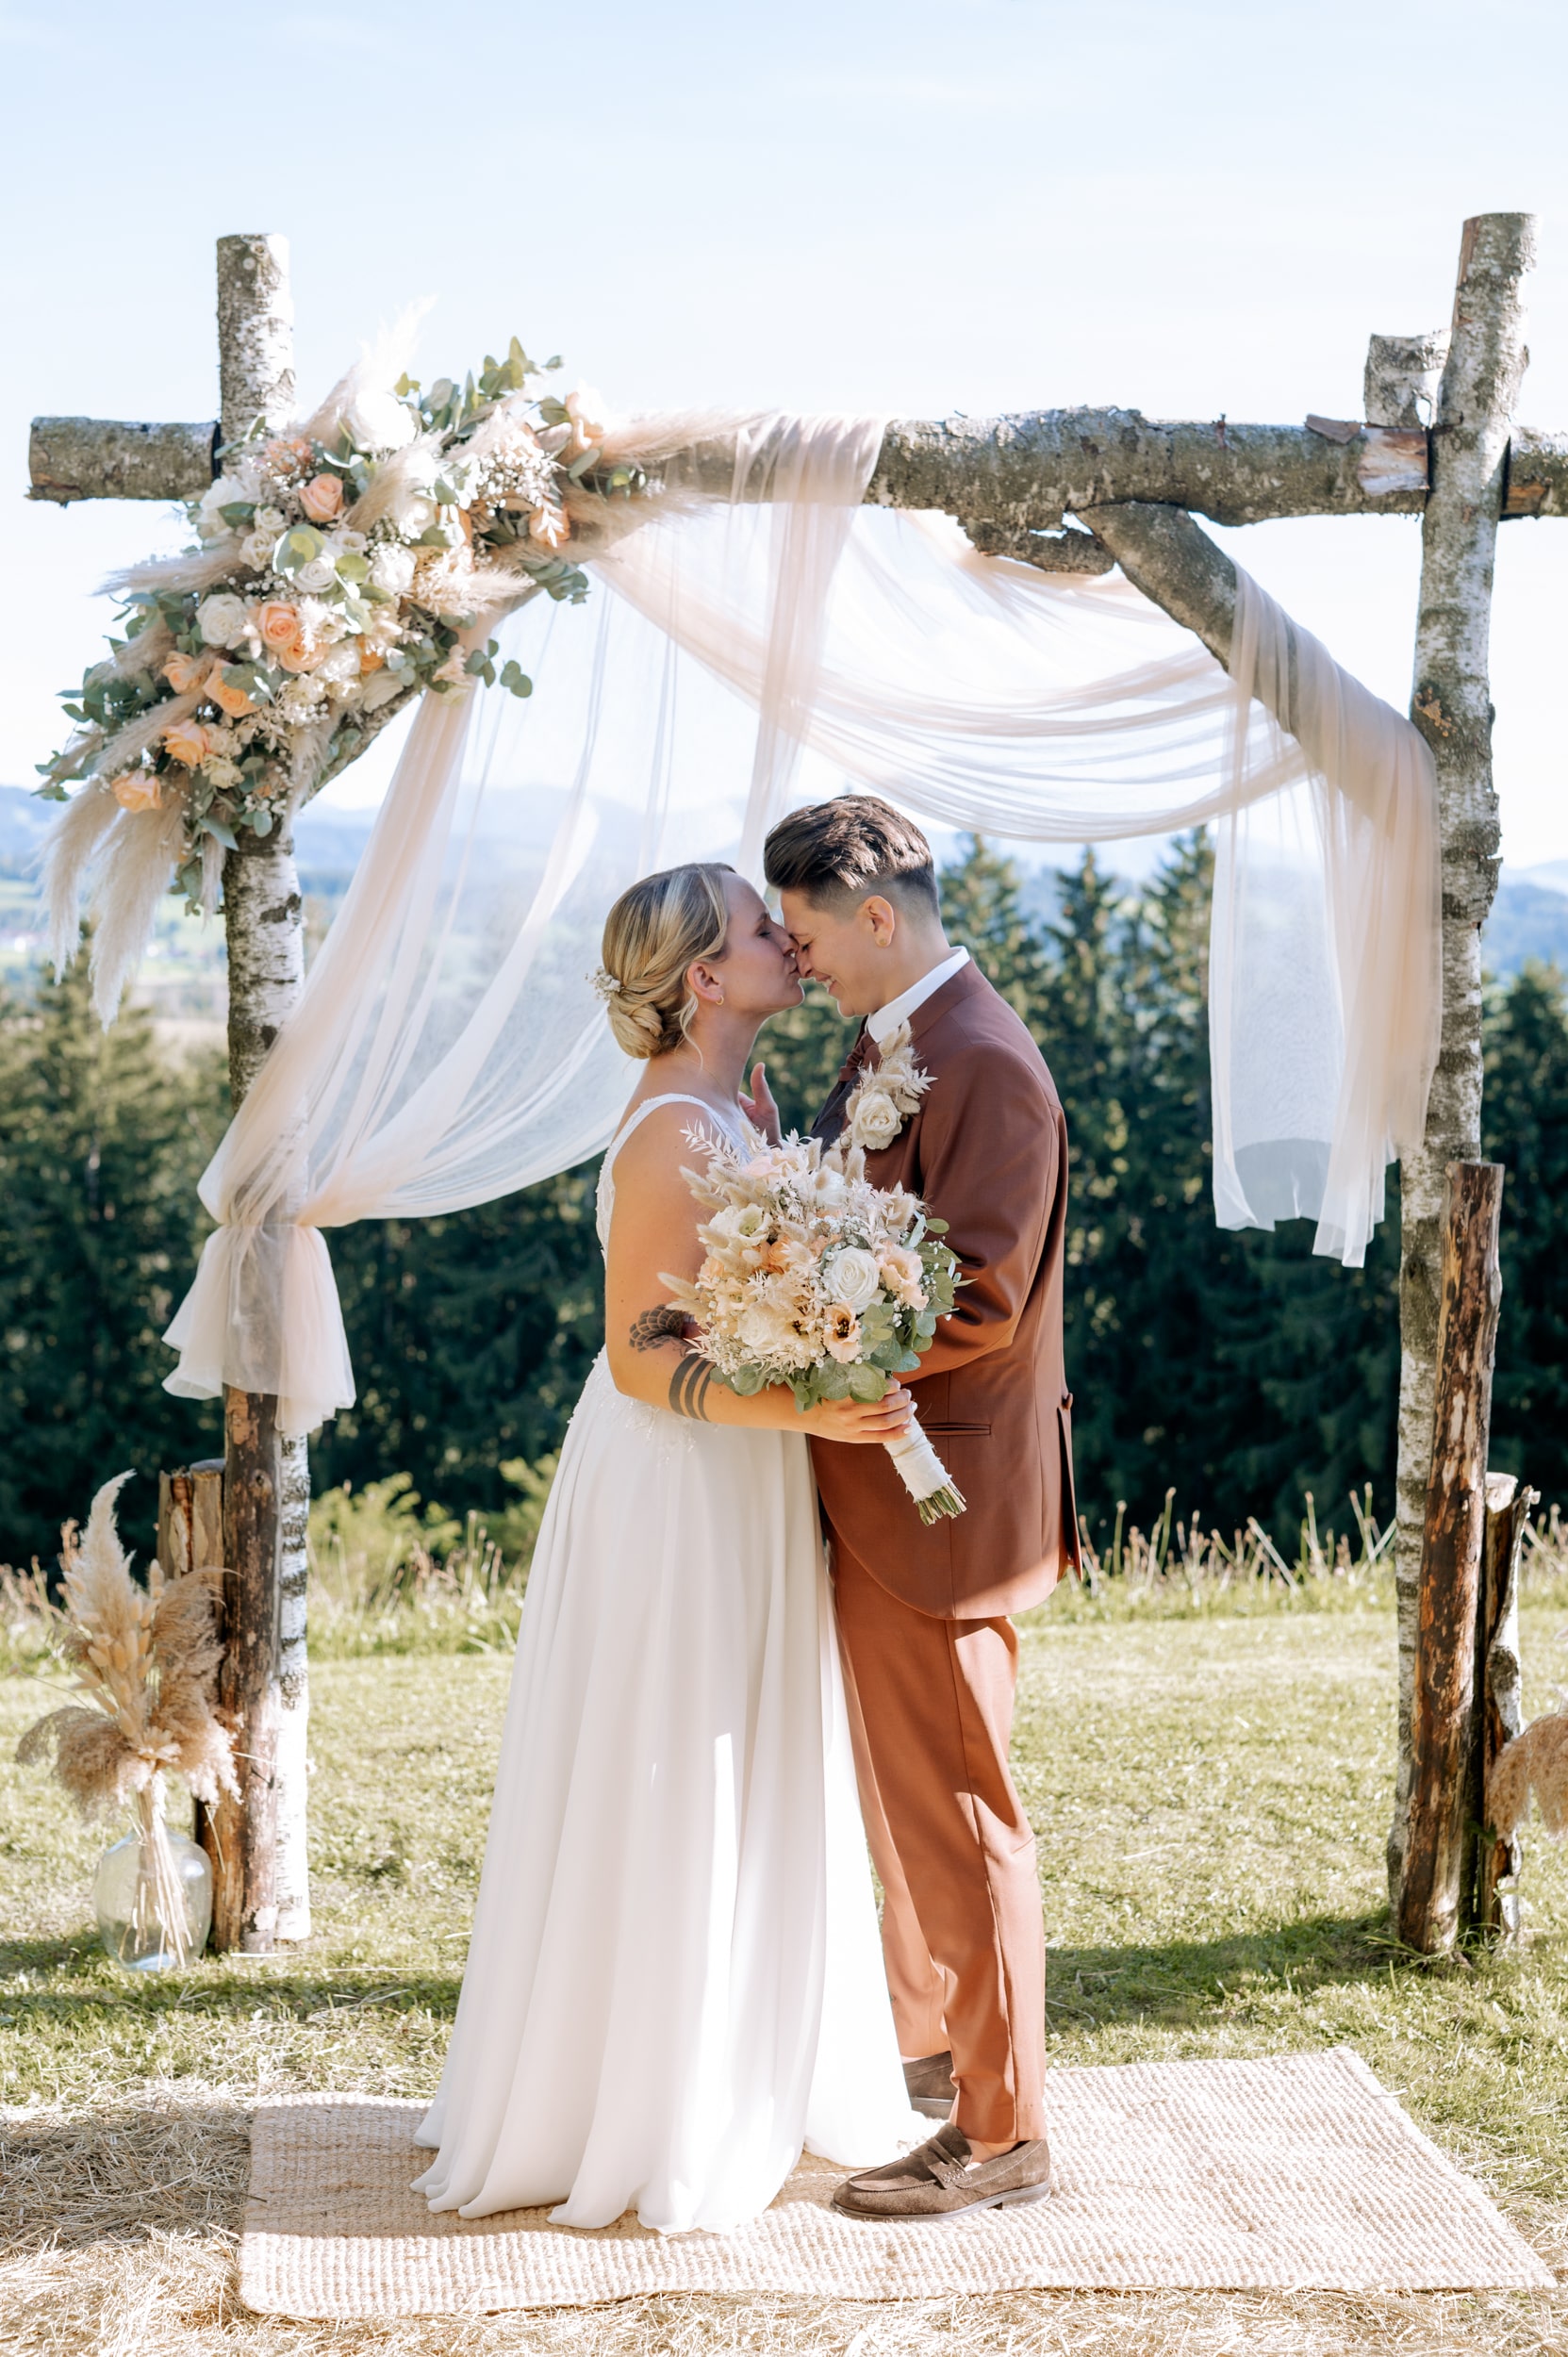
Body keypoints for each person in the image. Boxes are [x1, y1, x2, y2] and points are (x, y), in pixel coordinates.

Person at [413, 861, 921, 2233]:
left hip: (749, 1472)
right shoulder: (667, 1136)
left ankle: (745, 2061)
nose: (789, 943)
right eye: (762, 928)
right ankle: (644, 2101)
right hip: (675, 1482)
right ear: (705, 976)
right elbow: (646, 1361)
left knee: (748, 1747)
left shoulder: (749, 1108)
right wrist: (819, 1408)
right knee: (672, 1754)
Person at [765, 794, 1077, 2224]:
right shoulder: (892, 1043)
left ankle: (1005, 2137)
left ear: (877, 917)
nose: (798, 958)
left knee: (958, 1816)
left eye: (808, 934)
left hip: (944, 1505)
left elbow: (983, 1296)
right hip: (878, 1487)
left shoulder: (984, 1063)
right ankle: (939, 2067)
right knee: (904, 1820)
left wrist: (801, 1351)